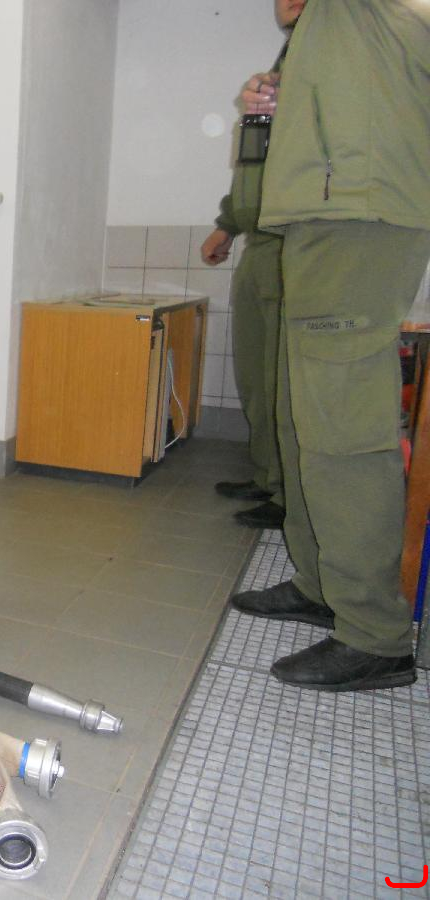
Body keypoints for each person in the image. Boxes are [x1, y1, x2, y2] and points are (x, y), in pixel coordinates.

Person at [230, 0, 430, 692]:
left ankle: (373, 632)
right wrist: (286, 92)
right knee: (303, 419)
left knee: (343, 428)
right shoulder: (341, 21)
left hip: (357, 210)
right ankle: (322, 584)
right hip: (322, 212)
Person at [201, 0, 305, 532]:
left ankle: (289, 493)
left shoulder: (326, 57)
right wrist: (228, 224)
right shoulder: (284, 64)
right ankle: (268, 477)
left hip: (293, 239)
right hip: (260, 242)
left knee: (282, 378)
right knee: (256, 374)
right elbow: (254, 162)